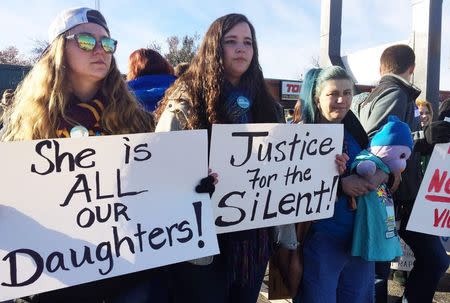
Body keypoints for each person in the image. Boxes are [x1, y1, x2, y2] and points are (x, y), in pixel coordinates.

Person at [1, 7, 162, 303]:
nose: (100, 49)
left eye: (108, 43)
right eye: (87, 41)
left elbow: (157, 185)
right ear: (59, 50)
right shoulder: (30, 122)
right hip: (58, 273)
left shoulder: (136, 120)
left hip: (126, 267)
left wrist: (191, 184)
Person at [154, 13, 282, 303]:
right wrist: (191, 178)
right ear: (214, 46)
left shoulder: (266, 102)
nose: (241, 49)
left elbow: (282, 161)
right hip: (202, 237)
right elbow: (160, 163)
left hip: (253, 236)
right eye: (231, 41)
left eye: (248, 42)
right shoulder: (186, 98)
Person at [358, 44, 450, 303]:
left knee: (388, 266)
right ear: (412, 68)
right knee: (384, 269)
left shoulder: (378, 93)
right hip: (392, 197)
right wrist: (424, 137)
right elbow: (376, 140)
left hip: (397, 197)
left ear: (381, 67)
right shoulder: (395, 93)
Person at [293, 66, 388, 303]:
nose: (341, 100)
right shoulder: (299, 135)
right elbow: (288, 186)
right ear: (317, 97)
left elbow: (379, 166)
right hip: (321, 239)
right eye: (332, 93)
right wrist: (340, 187)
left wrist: (381, 176)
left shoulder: (355, 131)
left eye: (347, 93)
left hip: (361, 238)